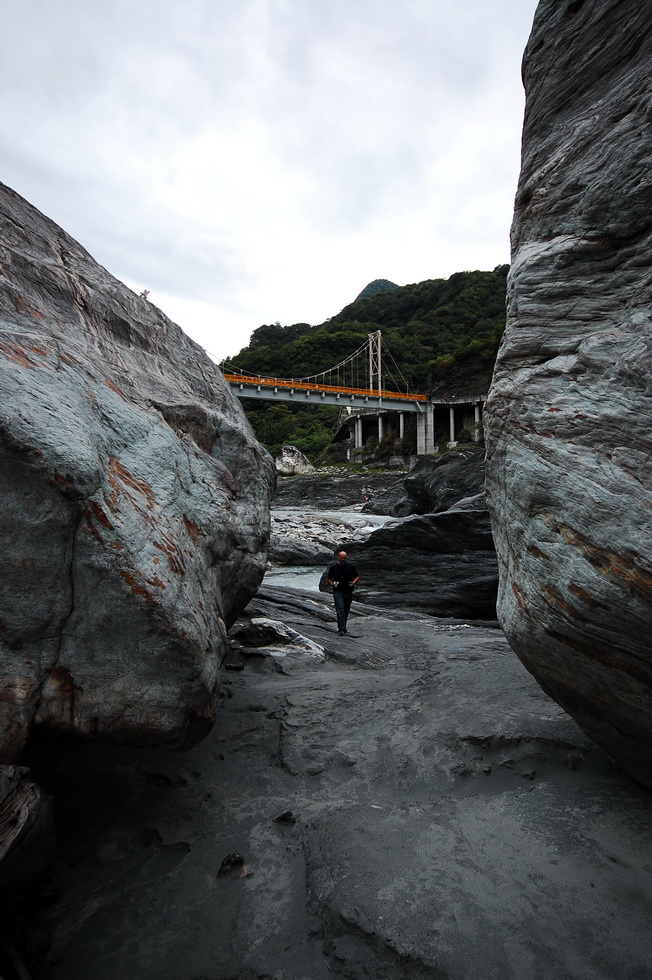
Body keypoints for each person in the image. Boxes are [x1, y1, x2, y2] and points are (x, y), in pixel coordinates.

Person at [327, 551, 360, 635]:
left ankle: (343, 625)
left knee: (346, 609)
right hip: (338, 591)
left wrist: (353, 582)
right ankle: (341, 629)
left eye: (344, 558)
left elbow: (357, 576)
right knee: (340, 609)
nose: (343, 559)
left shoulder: (350, 567)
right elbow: (329, 578)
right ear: (338, 557)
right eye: (342, 558)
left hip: (348, 591)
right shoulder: (334, 567)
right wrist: (332, 584)